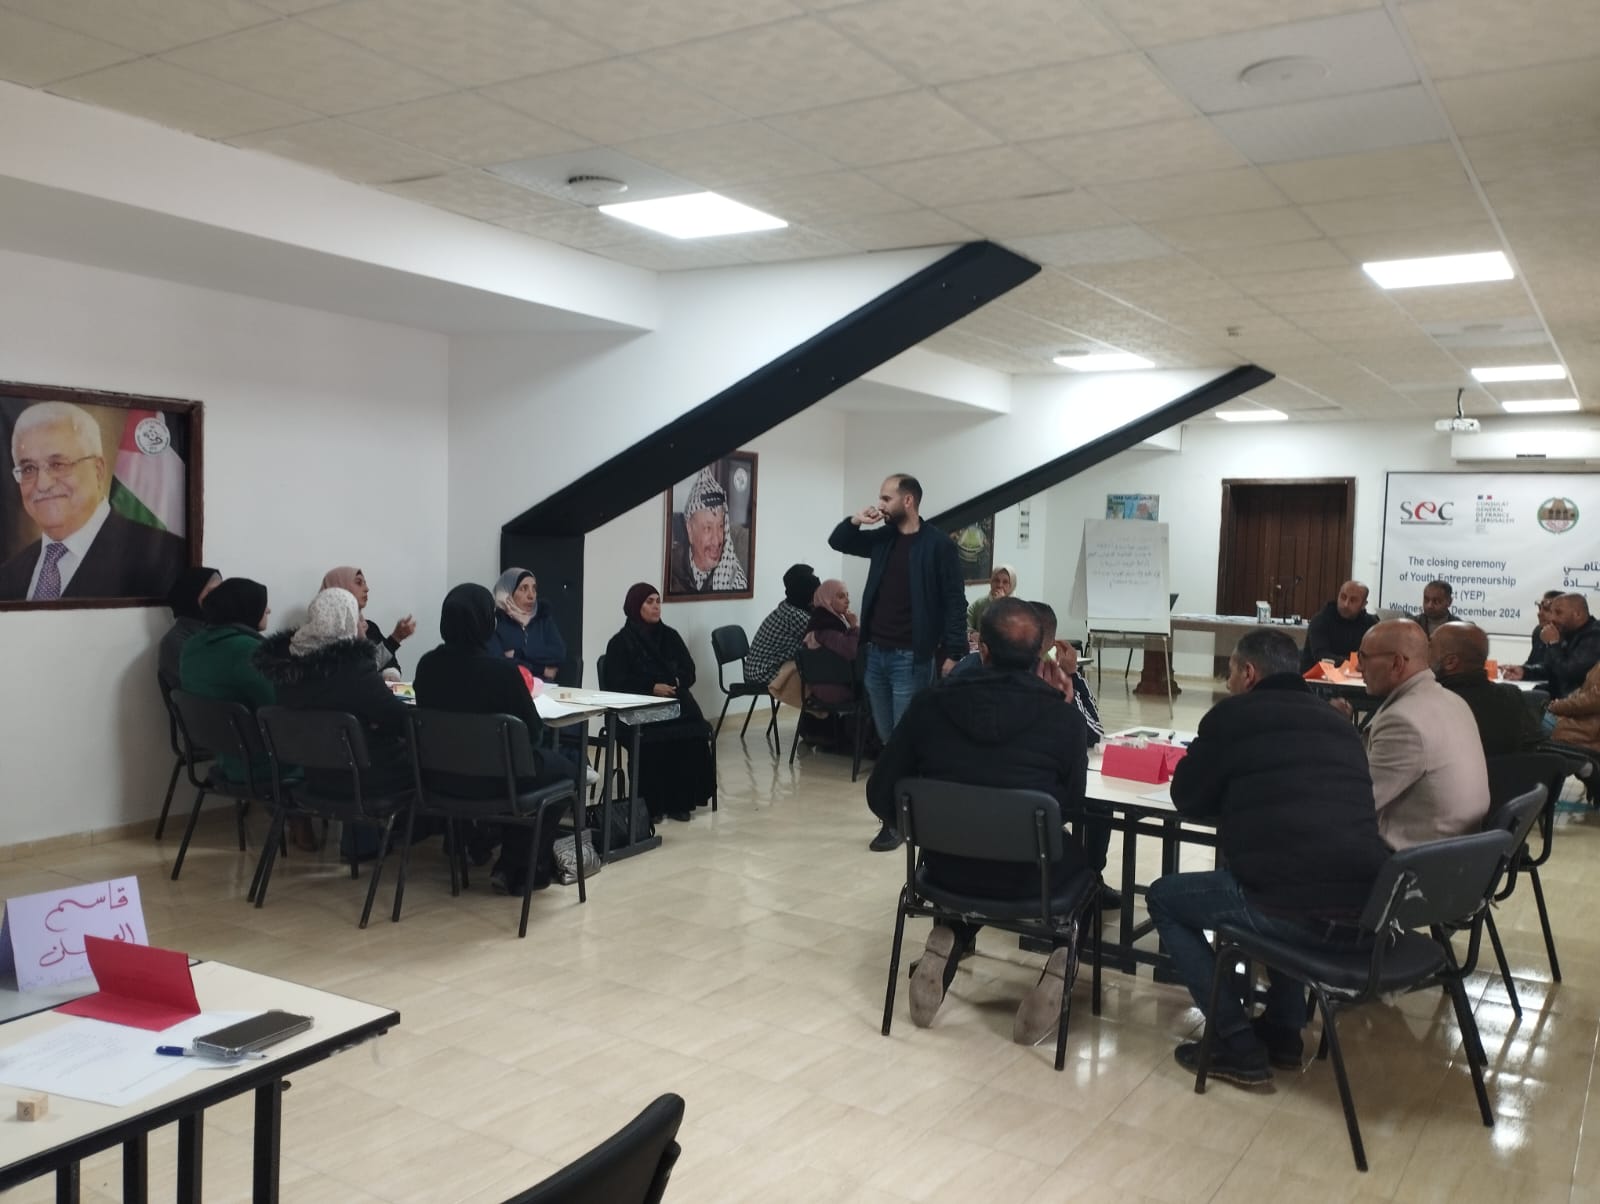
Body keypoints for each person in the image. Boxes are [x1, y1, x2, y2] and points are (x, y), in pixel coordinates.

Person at [1146, 628, 1390, 1085]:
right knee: (1288, 871)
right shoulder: (1339, 723)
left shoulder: (1232, 717)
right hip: (1367, 909)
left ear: (1249, 672)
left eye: (1230, 672)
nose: (1227, 682)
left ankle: (1235, 1042)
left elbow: (1188, 797)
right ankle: (1283, 1032)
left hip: (1295, 911)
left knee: (1166, 898)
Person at [866, 597, 1092, 1046]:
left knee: (976, 863)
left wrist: (921, 831)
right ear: (1040, 655)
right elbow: (1070, 805)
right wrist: (1064, 708)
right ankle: (1058, 965)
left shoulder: (930, 705)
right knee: (1089, 870)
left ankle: (948, 931)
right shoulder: (1060, 717)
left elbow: (880, 791)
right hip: (1033, 879)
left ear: (982, 650)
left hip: (943, 872)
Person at [414, 583, 575, 895]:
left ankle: (487, 841)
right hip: (500, 781)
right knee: (566, 773)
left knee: (530, 770)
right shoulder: (502, 672)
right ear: (486, 622)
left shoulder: (427, 666)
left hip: (440, 780)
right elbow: (533, 732)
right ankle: (519, 866)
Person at [828, 473, 967, 809]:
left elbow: (954, 601)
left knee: (907, 735)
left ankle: (906, 809)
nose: (881, 505)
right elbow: (839, 541)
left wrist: (953, 652)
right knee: (888, 737)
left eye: (886, 498)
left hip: (911, 656)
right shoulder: (884, 539)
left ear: (908, 501)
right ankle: (900, 806)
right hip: (876, 653)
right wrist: (855, 521)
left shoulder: (938, 545)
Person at [255, 587, 414, 851]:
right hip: (365, 781)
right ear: (344, 622)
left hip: (315, 777)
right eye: (358, 618)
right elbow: (400, 720)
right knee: (422, 757)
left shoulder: (287, 670)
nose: (364, 624)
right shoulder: (354, 670)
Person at [0, 401, 187, 600]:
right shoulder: (8, 574)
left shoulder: (166, 558)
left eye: (58, 464)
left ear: (98, 470)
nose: (42, 484)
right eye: (28, 469)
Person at [1355, 620, 1489, 848]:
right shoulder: (1454, 700)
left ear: (1396, 663)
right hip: (1458, 849)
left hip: (1414, 858)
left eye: (1363, 658)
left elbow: (1358, 803)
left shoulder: (1402, 721)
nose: (1359, 668)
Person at [603, 583, 716, 823]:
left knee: (692, 734)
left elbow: (689, 671)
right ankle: (651, 805)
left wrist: (675, 682)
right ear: (636, 606)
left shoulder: (671, 636)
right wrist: (651, 687)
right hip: (637, 711)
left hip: (673, 705)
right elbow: (616, 682)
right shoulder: (620, 643)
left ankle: (680, 802)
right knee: (652, 741)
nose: (656, 607)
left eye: (658, 601)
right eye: (649, 602)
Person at [178, 577, 276, 793]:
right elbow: (278, 706)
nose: (268, 610)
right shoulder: (249, 651)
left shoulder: (192, 646)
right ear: (246, 608)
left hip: (226, 759)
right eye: (263, 604)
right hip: (266, 765)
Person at [1430, 621, 1542, 757]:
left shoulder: (1434, 704)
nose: (1424, 653)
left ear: (1450, 662)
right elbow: (1532, 748)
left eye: (1430, 647)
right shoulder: (1512, 695)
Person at [1505, 592, 1600, 702]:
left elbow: (1568, 673)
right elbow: (1552, 669)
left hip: (1579, 705)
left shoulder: (1595, 635)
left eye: (1558, 613)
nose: (1552, 618)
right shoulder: (1568, 631)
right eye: (1551, 612)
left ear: (1577, 614)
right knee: (1513, 695)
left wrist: (1553, 644)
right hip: (1561, 699)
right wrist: (1525, 672)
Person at [321, 566, 415, 676]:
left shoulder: (369, 628)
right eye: (358, 583)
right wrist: (395, 638)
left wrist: (392, 673)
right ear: (339, 589)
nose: (366, 589)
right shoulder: (322, 634)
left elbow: (388, 664)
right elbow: (353, 672)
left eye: (365, 583)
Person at [668, 468, 748, 595]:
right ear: (690, 530)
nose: (716, 541)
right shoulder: (671, 569)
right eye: (707, 528)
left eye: (721, 526)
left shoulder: (734, 580)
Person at [745, 563, 820, 688]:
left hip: (758, 669)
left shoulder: (789, 605)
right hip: (763, 673)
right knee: (822, 675)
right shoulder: (795, 615)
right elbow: (826, 638)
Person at [488, 567, 567, 683]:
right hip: (510, 685)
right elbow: (499, 662)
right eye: (523, 589)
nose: (531, 595)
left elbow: (559, 653)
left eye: (534, 589)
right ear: (507, 592)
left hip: (545, 686)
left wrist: (519, 653)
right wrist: (541, 669)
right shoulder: (495, 622)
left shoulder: (542, 618)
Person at [158, 564, 221, 683]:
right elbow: (202, 686)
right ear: (192, 594)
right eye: (212, 591)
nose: (221, 597)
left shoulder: (220, 631)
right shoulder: (175, 641)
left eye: (222, 590)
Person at [1300, 579, 1377, 670]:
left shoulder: (1371, 624)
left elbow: (1373, 656)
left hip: (1356, 676)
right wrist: (1355, 662)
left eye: (1353, 600)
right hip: (1318, 676)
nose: (1346, 604)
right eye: (1343, 597)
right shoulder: (1321, 620)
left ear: (1364, 604)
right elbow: (1322, 657)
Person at [1547, 660, 1600, 756]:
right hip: (1576, 723)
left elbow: (1590, 701)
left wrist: (1557, 706)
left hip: (1583, 732)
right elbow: (1584, 693)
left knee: (1529, 721)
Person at [966, 563, 1017, 635]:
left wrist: (1001, 604)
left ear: (1012, 585)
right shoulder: (980, 603)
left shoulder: (1017, 607)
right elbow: (965, 623)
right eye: (996, 580)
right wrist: (973, 634)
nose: (1000, 585)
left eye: (1005, 582)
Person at [1527, 590, 1565, 672]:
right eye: (1539, 608)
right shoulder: (1539, 631)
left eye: (1547, 609)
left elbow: (1563, 672)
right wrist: (1520, 670)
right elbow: (1532, 663)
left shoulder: (1574, 636)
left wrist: (1553, 643)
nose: (1539, 614)